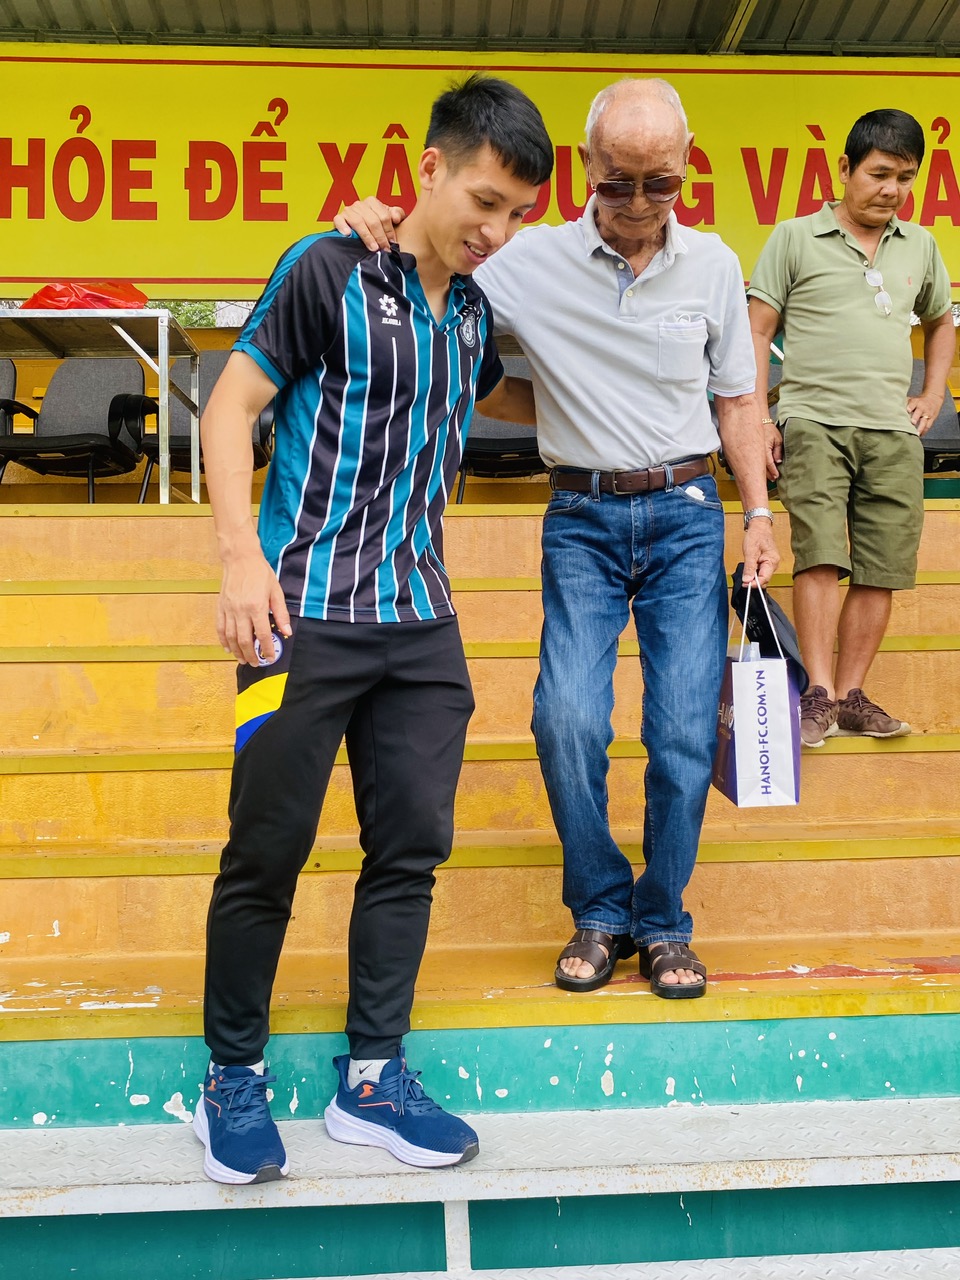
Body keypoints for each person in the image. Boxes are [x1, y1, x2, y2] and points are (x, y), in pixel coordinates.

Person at [335, 77, 779, 1001]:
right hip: (579, 515)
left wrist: (760, 513)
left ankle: (662, 922)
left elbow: (737, 397)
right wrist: (372, 214)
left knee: (684, 733)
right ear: (587, 170)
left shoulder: (711, 267)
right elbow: (434, 254)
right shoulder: (526, 260)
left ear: (687, 171)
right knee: (565, 718)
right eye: (618, 184)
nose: (639, 206)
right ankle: (600, 909)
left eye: (660, 184)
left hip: (688, 515)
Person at [193, 74, 553, 1185]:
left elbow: (510, 397)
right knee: (267, 851)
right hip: (300, 619)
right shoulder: (327, 269)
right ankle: (231, 1079)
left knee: (408, 854)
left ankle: (373, 1078)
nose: (493, 230)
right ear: (429, 169)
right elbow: (229, 408)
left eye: (516, 215)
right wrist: (239, 559)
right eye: (482, 199)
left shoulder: (479, 318)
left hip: (422, 629)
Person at [748, 109, 955, 748]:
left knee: (883, 566)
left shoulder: (920, 244)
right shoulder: (793, 236)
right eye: (879, 173)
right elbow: (757, 330)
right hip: (811, 420)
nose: (892, 189)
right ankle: (818, 692)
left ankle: (852, 694)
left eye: (906, 177)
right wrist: (759, 415)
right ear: (844, 169)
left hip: (893, 431)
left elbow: (942, 320)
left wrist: (933, 392)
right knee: (819, 556)